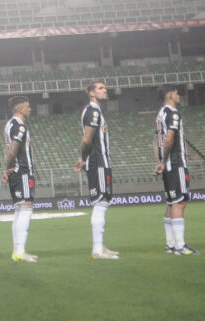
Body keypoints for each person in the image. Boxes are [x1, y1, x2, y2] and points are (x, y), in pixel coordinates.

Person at [74, 81, 119, 260]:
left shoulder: (97, 111)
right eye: (100, 88)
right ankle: (97, 250)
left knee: (104, 201)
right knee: (101, 202)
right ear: (91, 93)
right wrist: (84, 159)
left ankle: (100, 246)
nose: (105, 90)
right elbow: (87, 140)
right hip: (98, 162)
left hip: (102, 162)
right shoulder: (92, 111)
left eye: (105, 87)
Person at [153, 85, 199, 256]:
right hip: (176, 162)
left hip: (167, 164)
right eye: (177, 93)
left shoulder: (160, 114)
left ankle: (171, 244)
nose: (179, 96)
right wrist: (164, 161)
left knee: (172, 203)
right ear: (171, 94)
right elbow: (170, 137)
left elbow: (155, 139)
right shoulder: (172, 113)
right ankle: (180, 246)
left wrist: (159, 161)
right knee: (179, 202)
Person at [2, 96, 38, 263]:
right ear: (20, 109)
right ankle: (20, 252)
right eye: (28, 107)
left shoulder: (9, 125)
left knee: (19, 210)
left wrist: (7, 170)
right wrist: (10, 168)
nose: (30, 109)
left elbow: (8, 151)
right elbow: (12, 152)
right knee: (25, 208)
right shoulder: (20, 126)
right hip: (22, 171)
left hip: (15, 172)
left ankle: (17, 251)